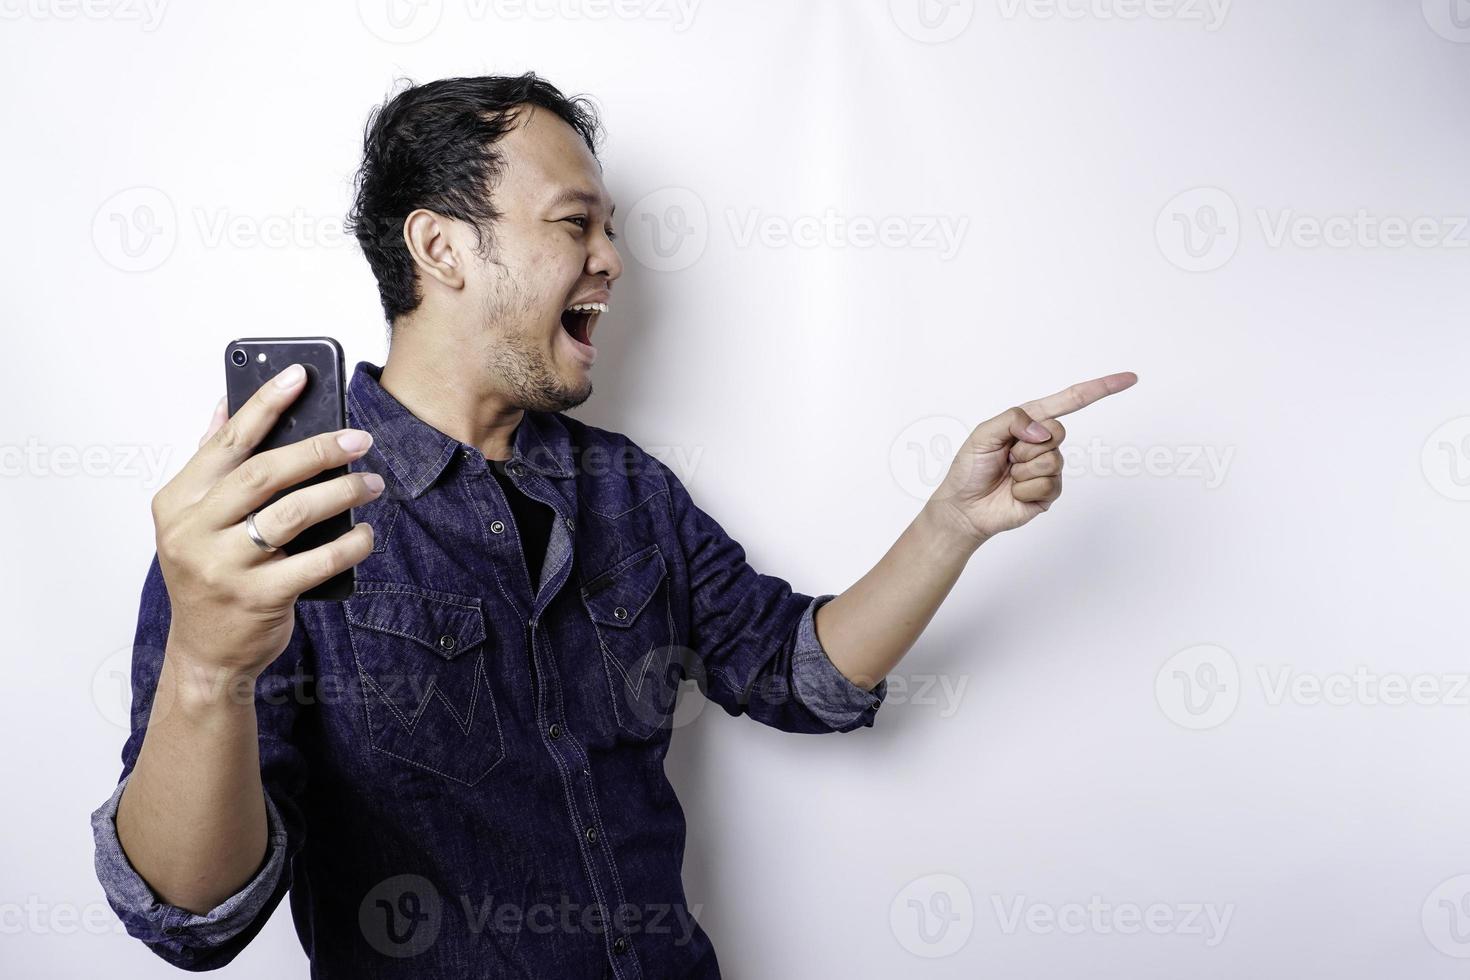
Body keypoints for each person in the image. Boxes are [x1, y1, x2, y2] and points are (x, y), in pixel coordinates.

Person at [89, 72, 1136, 978]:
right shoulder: (272, 520)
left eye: (613, 230)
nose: (614, 261)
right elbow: (193, 915)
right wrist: (207, 661)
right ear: (442, 246)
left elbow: (798, 674)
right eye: (575, 222)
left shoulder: (630, 492)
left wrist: (955, 520)